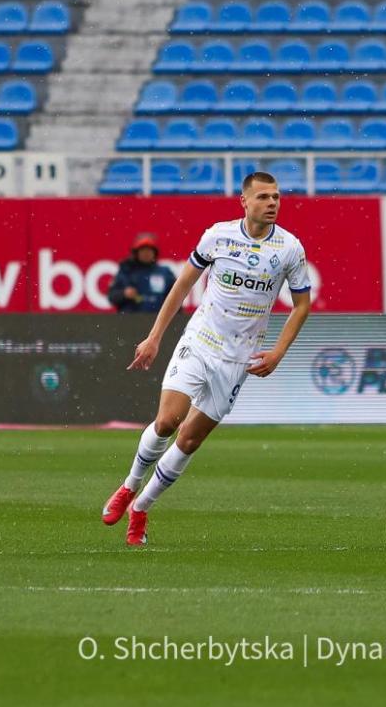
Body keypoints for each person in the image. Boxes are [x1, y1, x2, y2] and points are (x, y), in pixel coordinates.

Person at [101, 171, 312, 546]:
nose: (272, 203)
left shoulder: (290, 249)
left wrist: (278, 352)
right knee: (167, 421)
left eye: (276, 197)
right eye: (263, 197)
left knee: (190, 440)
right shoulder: (218, 236)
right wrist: (154, 337)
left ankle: (141, 508)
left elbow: (301, 305)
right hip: (201, 341)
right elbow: (182, 285)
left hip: (239, 358)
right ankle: (129, 485)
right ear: (244, 201)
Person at [106, 233, 176, 313]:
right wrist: (124, 294)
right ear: (136, 253)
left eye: (149, 250)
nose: (146, 253)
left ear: (155, 252)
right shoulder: (126, 271)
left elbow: (176, 298)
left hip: (158, 318)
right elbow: (111, 296)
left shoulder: (165, 273)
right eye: (143, 250)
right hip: (130, 319)